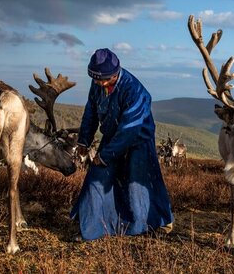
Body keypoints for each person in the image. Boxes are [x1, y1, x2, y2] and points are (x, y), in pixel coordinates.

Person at [70, 48, 174, 240]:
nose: (99, 83)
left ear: (114, 74)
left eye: (103, 79)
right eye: (95, 79)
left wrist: (105, 155)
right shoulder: (98, 85)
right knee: (97, 178)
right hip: (112, 136)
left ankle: (154, 222)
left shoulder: (134, 90)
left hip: (138, 140)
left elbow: (130, 129)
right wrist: (84, 140)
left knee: (139, 184)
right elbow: (91, 112)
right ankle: (91, 227)